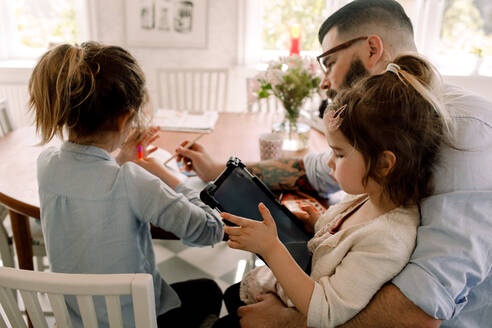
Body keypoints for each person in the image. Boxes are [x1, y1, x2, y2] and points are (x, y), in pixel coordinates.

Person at [177, 1, 492, 327]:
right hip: (337, 296)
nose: (324, 81)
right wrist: (218, 171)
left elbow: (421, 309)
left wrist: (287, 323)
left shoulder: (469, 133)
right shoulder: (385, 126)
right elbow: (316, 167)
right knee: (235, 295)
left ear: (372, 49)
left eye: (329, 62)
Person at [212, 53, 452, 328]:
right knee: (232, 295)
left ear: (384, 164)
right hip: (298, 286)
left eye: (339, 154)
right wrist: (318, 224)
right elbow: (344, 239)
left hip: (306, 304)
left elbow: (326, 311)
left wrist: (271, 248)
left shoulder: (388, 240)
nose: (328, 161)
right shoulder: (367, 197)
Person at [29, 42, 224, 328]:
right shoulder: (133, 181)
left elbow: (92, 179)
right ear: (124, 120)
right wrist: (168, 176)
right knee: (208, 291)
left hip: (77, 321)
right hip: (134, 322)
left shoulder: (46, 165)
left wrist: (121, 158)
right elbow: (211, 229)